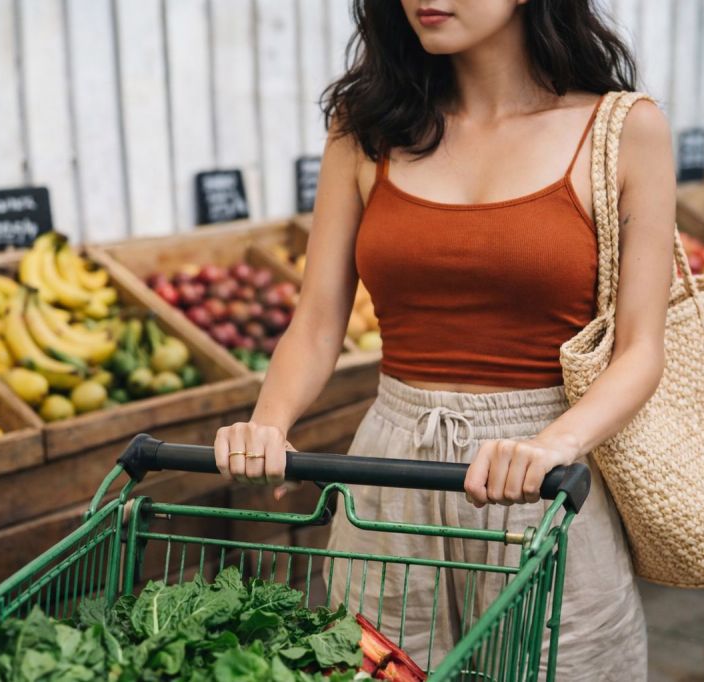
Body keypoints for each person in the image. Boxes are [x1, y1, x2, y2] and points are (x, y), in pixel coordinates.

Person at [214, 1, 675, 679]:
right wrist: (269, 423)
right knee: (378, 667)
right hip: (389, 476)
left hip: (542, 476)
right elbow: (316, 322)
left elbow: (640, 349)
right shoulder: (366, 128)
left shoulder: (624, 130)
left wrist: (554, 445)